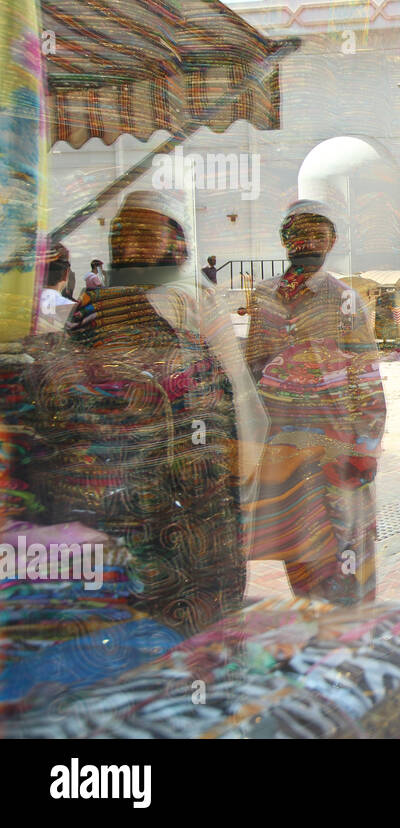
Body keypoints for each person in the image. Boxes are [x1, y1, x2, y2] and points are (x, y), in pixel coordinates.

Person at [23, 189, 265, 635]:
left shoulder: (179, 298)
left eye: (145, 235)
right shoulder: (113, 302)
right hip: (144, 479)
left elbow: (235, 387)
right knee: (162, 596)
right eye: (127, 235)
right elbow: (66, 382)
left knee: (175, 597)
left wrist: (241, 457)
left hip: (164, 479)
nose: (134, 245)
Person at [244, 199, 386, 605]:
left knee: (347, 541)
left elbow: (366, 375)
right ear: (284, 240)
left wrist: (365, 449)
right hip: (284, 445)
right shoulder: (265, 297)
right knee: (299, 544)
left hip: (337, 444)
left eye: (316, 234)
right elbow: (253, 369)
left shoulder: (344, 298)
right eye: (298, 234)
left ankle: (349, 631)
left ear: (332, 241)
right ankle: (315, 624)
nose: (307, 242)